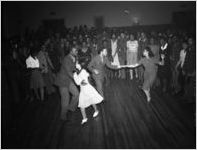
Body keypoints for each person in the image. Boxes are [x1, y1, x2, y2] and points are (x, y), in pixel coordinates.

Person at [55, 46, 79, 121]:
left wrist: (77, 68)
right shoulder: (66, 59)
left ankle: (71, 108)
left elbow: (73, 68)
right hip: (62, 81)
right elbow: (69, 72)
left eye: (77, 51)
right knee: (65, 99)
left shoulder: (73, 58)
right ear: (70, 51)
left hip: (69, 80)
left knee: (76, 94)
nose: (76, 52)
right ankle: (63, 115)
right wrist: (77, 79)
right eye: (75, 51)